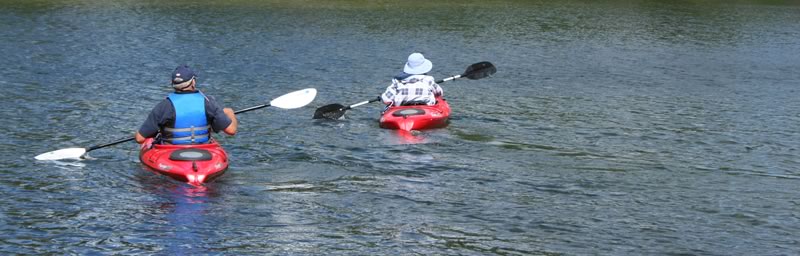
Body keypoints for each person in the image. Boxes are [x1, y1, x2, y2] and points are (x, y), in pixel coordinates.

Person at [135, 65, 237, 145]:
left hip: (172, 153)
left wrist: (156, 132)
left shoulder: (164, 106)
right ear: (193, 82)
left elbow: (140, 139)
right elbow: (231, 130)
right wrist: (230, 113)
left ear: (173, 84)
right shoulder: (208, 102)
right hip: (203, 151)